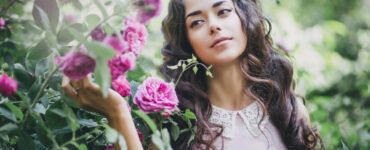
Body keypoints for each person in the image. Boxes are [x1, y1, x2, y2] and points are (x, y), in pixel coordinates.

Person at [62, 0, 323, 149]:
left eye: (223, 11)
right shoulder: (175, 122)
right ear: (186, 41)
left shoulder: (288, 109)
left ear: (244, 18)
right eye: (196, 21)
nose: (214, 26)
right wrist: (117, 113)